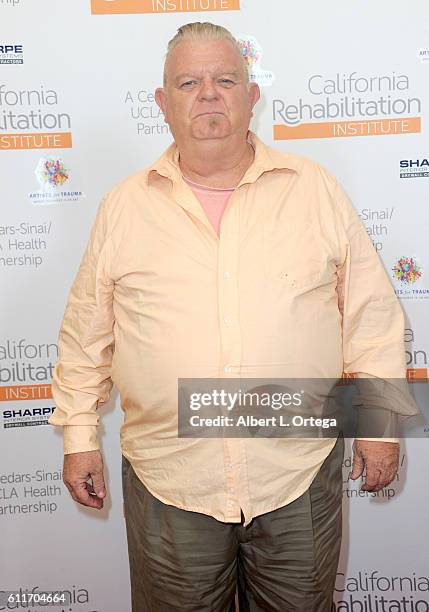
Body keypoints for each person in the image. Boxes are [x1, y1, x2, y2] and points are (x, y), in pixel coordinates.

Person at [49, 22, 413, 612]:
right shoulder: (124, 206)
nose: (209, 94)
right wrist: (79, 436)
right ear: (163, 103)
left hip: (295, 474)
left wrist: (376, 426)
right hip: (170, 478)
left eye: (226, 79)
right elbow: (87, 333)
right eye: (189, 82)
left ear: (253, 95)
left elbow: (369, 319)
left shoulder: (313, 190)